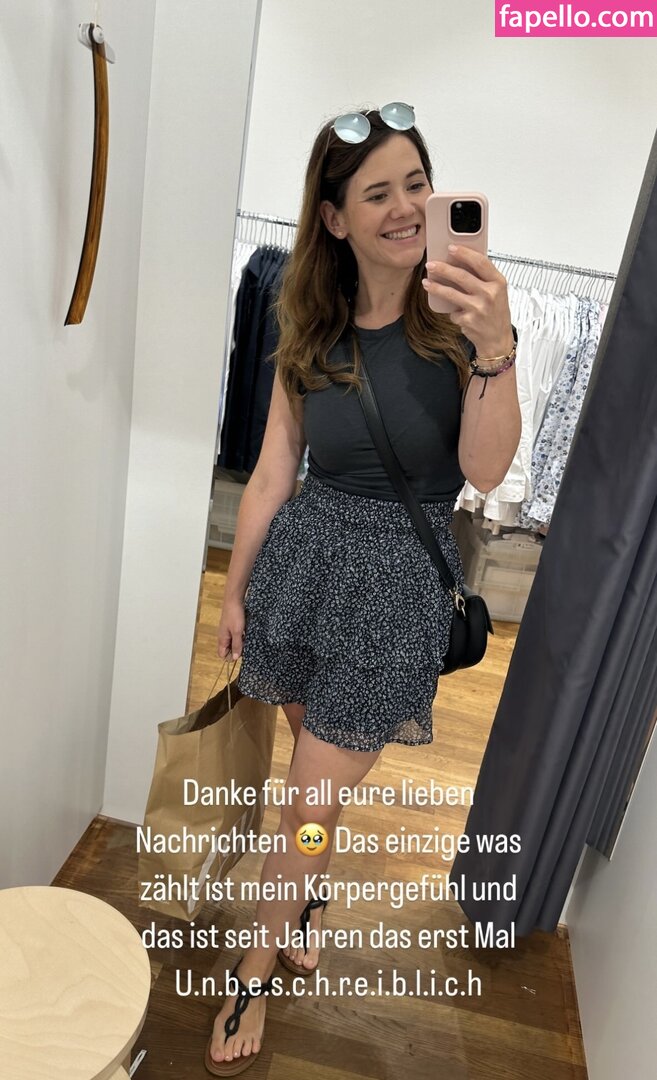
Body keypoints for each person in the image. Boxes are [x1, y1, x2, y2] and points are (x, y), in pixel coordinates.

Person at [206, 103, 521, 1075]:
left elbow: (487, 470)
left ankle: (254, 970)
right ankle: (307, 894)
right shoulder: (310, 325)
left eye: (416, 184)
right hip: (303, 575)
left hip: (394, 593)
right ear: (335, 218)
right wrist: (234, 591)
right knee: (313, 774)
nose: (406, 207)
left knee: (302, 797)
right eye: (378, 192)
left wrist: (498, 346)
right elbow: (273, 472)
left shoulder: (463, 326)